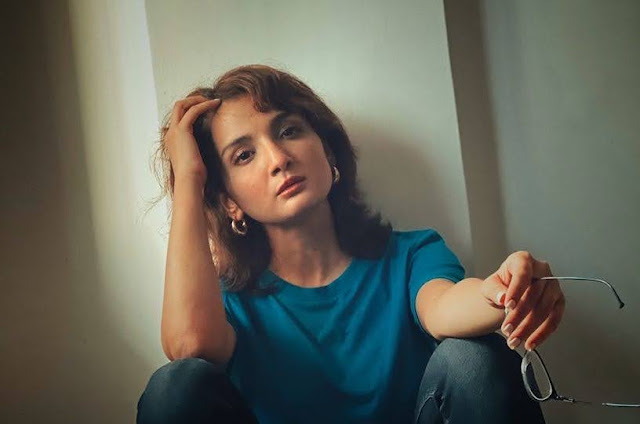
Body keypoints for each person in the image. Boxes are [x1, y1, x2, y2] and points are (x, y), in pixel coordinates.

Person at [137, 64, 565, 423]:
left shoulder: (410, 255)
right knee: (175, 385)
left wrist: (506, 291)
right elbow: (189, 347)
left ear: (327, 151)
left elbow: (444, 307)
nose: (278, 158)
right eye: (244, 155)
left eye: (288, 130)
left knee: (474, 357)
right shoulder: (225, 305)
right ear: (230, 202)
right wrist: (189, 180)